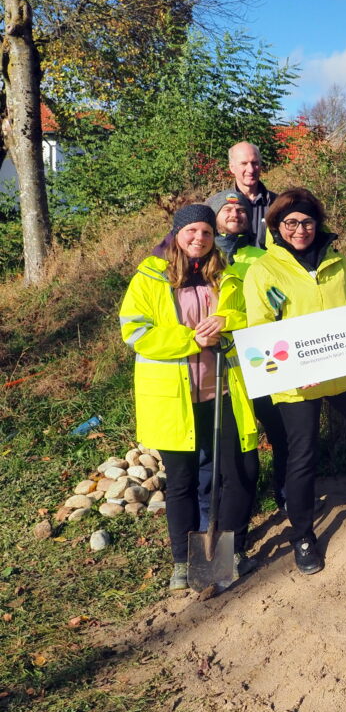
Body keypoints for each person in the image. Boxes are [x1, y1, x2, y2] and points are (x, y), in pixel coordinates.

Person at [244, 188, 346, 576]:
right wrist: (293, 372)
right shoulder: (264, 271)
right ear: (277, 226)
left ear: (316, 223)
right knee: (303, 457)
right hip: (296, 381)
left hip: (343, 370)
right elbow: (260, 328)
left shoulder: (337, 262)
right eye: (291, 223)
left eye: (306, 221)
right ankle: (303, 535)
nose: (300, 229)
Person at [119, 204, 259, 590]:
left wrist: (227, 324)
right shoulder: (149, 277)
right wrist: (188, 339)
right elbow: (134, 332)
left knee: (235, 474)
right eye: (192, 231)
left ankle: (228, 552)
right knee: (180, 481)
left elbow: (248, 316)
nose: (199, 238)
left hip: (224, 391)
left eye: (207, 233)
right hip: (172, 399)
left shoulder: (226, 276)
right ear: (177, 234)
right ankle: (182, 560)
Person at [206, 189, 290, 510]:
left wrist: (238, 318)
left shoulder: (262, 258)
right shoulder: (203, 259)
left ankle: (283, 491)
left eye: (241, 210)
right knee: (231, 443)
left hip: (262, 359)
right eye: (227, 210)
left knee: (280, 430)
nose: (235, 214)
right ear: (213, 217)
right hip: (221, 369)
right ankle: (235, 502)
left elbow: (280, 303)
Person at [227, 141, 277, 249]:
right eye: (244, 163)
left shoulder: (278, 204)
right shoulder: (218, 206)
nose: (251, 169)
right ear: (232, 168)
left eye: (254, 163)